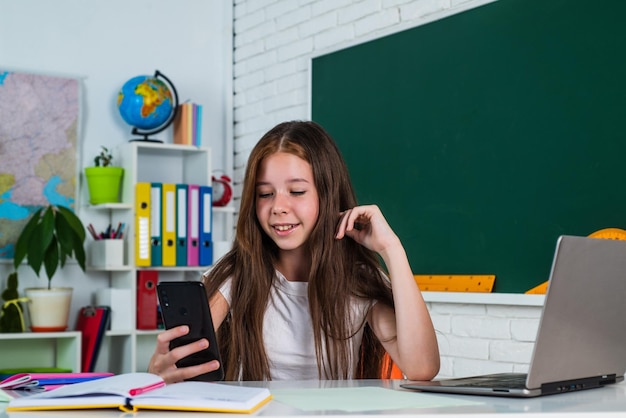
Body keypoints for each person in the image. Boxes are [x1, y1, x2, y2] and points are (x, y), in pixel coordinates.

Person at [148, 120, 440, 382]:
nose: (278, 207)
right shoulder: (237, 274)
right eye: (265, 194)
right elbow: (180, 368)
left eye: (297, 192)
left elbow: (422, 368)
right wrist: (161, 374)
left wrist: (392, 249)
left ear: (328, 196)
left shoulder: (357, 280)